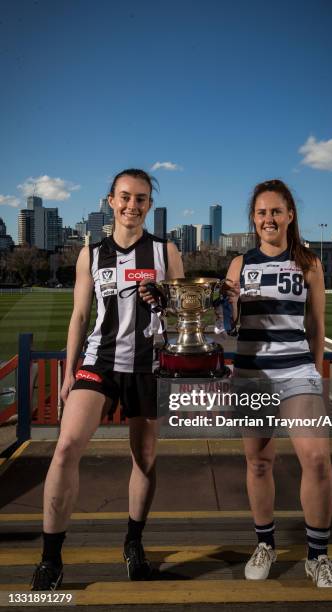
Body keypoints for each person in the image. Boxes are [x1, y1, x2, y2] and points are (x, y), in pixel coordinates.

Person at [31, 168, 184, 590]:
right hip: (98, 362)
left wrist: (165, 301)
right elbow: (79, 317)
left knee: (145, 459)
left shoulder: (166, 252)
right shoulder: (91, 255)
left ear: (149, 205)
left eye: (140, 199)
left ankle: (134, 541)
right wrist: (67, 377)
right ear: (110, 201)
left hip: (149, 366)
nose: (132, 205)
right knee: (65, 450)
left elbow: (183, 314)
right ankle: (50, 558)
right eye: (124, 197)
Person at [224, 179, 332, 588]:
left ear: (290, 215)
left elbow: (316, 326)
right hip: (252, 374)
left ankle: (318, 556)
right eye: (261, 212)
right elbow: (230, 326)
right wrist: (232, 302)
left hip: (297, 373)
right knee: (259, 462)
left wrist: (315, 375)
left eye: (276, 211)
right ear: (253, 219)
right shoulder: (240, 264)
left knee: (316, 459)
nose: (268, 218)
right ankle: (265, 544)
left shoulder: (309, 263)